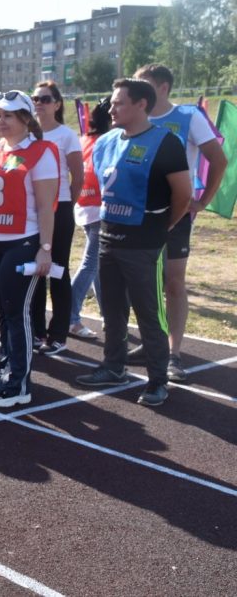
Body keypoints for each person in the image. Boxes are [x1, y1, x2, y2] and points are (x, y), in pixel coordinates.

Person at [75, 78, 191, 407]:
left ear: (141, 105)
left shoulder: (166, 142)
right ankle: (114, 366)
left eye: (119, 103)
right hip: (109, 237)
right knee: (112, 310)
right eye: (112, 103)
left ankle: (157, 380)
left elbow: (183, 195)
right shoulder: (106, 141)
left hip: (145, 243)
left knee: (148, 313)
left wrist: (160, 227)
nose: (111, 108)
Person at [0, 91, 59, 407]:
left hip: (23, 243)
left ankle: (20, 382)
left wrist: (45, 249)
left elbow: (46, 207)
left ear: (25, 120)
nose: (0, 120)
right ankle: (7, 372)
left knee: (18, 314)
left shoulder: (41, 153)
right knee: (2, 312)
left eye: (9, 115)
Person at [132, 64, 229, 380]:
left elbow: (219, 159)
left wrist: (203, 201)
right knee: (143, 283)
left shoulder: (188, 117)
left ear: (162, 88)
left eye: (142, 83)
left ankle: (174, 354)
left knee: (173, 283)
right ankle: (151, 342)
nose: (136, 89)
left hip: (175, 214)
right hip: (138, 214)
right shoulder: (135, 118)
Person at [30, 81, 83, 355]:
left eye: (45, 98)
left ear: (57, 104)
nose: (39, 102)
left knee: (58, 270)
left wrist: (65, 206)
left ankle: (59, 333)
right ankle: (37, 331)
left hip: (59, 208)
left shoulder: (66, 135)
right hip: (31, 210)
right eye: (35, 98)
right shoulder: (28, 134)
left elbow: (78, 176)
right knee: (34, 271)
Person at [69, 97, 112, 338]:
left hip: (84, 206)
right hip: (99, 207)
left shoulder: (85, 139)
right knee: (91, 262)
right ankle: (70, 316)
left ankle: (107, 314)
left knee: (97, 266)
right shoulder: (107, 141)